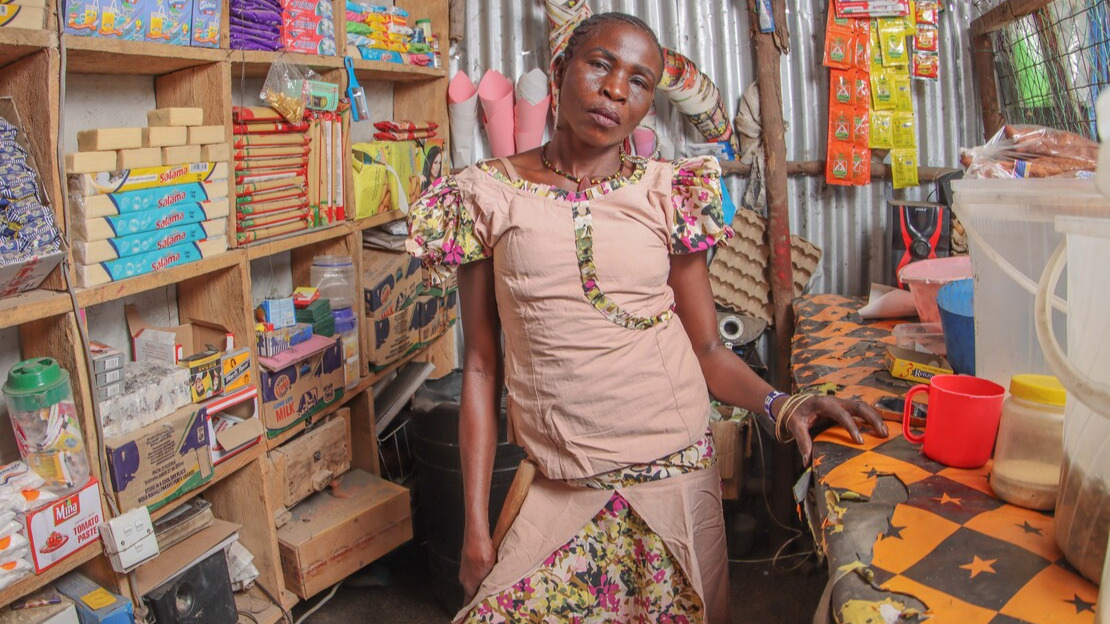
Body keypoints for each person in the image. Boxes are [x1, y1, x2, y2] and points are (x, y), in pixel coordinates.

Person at [406, 12, 889, 623]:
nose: (615, 90)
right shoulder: (483, 195)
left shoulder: (669, 192)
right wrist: (475, 528)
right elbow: (479, 367)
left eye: (640, 81)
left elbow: (709, 350)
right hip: (561, 483)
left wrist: (781, 405)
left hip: (675, 482)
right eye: (601, 65)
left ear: (648, 104)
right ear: (560, 70)